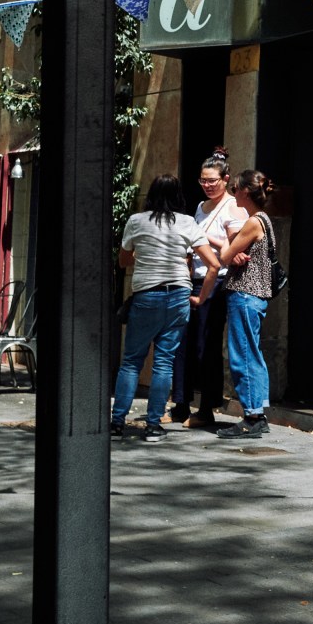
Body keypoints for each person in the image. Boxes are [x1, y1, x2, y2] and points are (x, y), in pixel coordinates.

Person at [114, 174, 223, 442]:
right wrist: (202, 297)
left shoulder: (136, 221)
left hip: (146, 296)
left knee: (131, 362)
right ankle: (153, 426)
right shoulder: (187, 222)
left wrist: (146, 252)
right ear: (178, 195)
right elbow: (214, 265)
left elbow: (123, 260)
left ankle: (117, 423)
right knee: (164, 363)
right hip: (178, 297)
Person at [167, 147, 248, 430]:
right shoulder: (200, 207)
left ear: (225, 178)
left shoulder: (232, 207)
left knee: (206, 346)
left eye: (212, 180)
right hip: (194, 278)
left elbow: (234, 249)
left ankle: (206, 408)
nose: (207, 185)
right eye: (203, 180)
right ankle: (180, 404)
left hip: (218, 282)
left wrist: (203, 239)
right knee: (182, 344)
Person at [195, 169, 277, 440]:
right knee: (252, 354)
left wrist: (211, 241)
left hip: (244, 295)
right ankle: (257, 414)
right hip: (253, 297)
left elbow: (227, 256)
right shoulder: (263, 220)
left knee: (242, 355)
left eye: (237, 189)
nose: (234, 194)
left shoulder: (253, 222)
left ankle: (252, 416)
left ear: (244, 192)